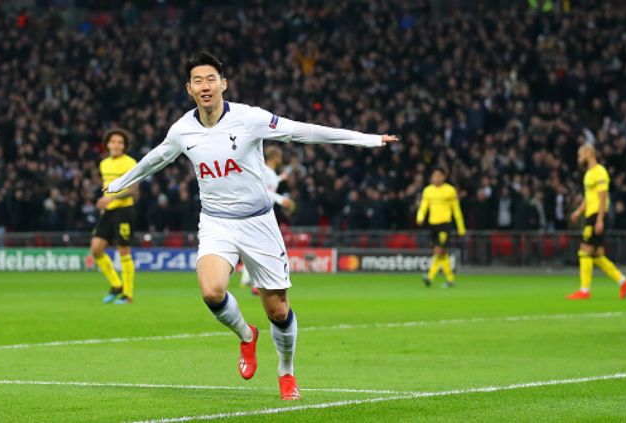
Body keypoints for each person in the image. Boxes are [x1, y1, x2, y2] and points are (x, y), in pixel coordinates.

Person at [106, 52, 398, 400]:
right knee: (212, 291)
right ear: (189, 88)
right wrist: (121, 181)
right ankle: (247, 336)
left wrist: (365, 138)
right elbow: (157, 157)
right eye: (197, 80)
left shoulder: (250, 119)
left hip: (259, 223)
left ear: (223, 84)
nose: (205, 86)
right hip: (216, 222)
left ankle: (286, 371)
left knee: (278, 310)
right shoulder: (182, 130)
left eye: (211, 79)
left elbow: (303, 132)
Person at [567, 144, 626, 300]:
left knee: (584, 251)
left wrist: (600, 219)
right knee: (596, 255)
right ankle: (624, 282)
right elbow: (589, 196)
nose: (579, 158)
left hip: (598, 214)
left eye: (580, 155)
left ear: (589, 153)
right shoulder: (589, 173)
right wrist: (578, 211)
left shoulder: (600, 171)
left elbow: (603, 195)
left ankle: (584, 290)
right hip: (592, 214)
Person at [240, 145, 296, 296]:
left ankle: (249, 280)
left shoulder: (268, 172)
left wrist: (280, 178)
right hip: (259, 214)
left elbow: (268, 185)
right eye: (279, 156)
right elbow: (265, 190)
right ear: (275, 157)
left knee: (255, 247)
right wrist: (281, 199)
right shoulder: (266, 171)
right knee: (264, 248)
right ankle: (255, 282)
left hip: (261, 214)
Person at [91, 128, 138, 305]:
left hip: (124, 211)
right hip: (108, 212)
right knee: (96, 249)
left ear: (124, 145)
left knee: (123, 250)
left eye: (120, 142)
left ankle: (128, 294)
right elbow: (105, 187)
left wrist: (110, 197)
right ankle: (116, 284)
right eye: (113, 141)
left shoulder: (130, 163)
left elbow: (133, 191)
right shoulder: (104, 164)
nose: (116, 145)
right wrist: (105, 204)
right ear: (108, 144)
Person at [416, 168, 466, 288]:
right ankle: (450, 279)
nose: (436, 178)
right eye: (434, 176)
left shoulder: (450, 190)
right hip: (433, 224)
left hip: (444, 224)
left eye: (438, 176)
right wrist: (420, 216)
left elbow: (456, 209)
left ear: (444, 177)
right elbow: (424, 206)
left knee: (438, 251)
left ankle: (429, 276)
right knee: (442, 253)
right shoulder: (428, 191)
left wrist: (461, 227)